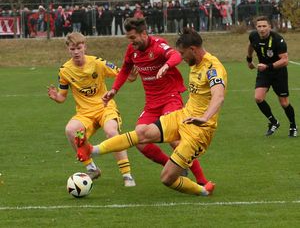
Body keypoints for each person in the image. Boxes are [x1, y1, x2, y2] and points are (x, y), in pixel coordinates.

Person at [77, 28, 227, 196]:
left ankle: (203, 189)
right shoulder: (195, 63)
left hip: (199, 130)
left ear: (193, 49)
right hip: (183, 117)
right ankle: (92, 150)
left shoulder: (213, 67)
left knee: (167, 179)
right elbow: (127, 69)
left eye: (183, 53)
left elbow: (218, 96)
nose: (182, 57)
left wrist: (205, 118)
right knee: (142, 133)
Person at [101, 17, 211, 186]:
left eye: (133, 38)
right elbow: (125, 70)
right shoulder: (132, 51)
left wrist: (166, 66)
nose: (131, 42)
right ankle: (172, 165)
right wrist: (114, 90)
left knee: (175, 139)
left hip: (170, 98)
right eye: (128, 39)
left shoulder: (158, 46)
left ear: (144, 34)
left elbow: (175, 55)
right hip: (151, 103)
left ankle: (202, 180)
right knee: (139, 139)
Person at [47, 32, 136, 186]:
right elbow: (62, 97)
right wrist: (56, 97)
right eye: (72, 49)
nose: (75, 52)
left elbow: (123, 74)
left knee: (111, 132)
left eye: (78, 48)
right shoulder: (64, 71)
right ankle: (92, 168)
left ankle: (127, 175)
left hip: (105, 108)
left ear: (84, 47)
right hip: (85, 114)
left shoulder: (97, 63)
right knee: (71, 130)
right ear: (68, 49)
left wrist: (132, 76)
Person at [246, 16, 297, 137]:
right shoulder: (253, 36)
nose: (262, 29)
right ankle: (274, 122)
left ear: (269, 26)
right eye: (259, 26)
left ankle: (293, 126)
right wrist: (249, 59)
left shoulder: (278, 39)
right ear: (256, 27)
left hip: (278, 72)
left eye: (264, 26)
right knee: (258, 98)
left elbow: (285, 60)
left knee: (284, 103)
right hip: (264, 71)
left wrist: (268, 66)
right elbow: (251, 45)